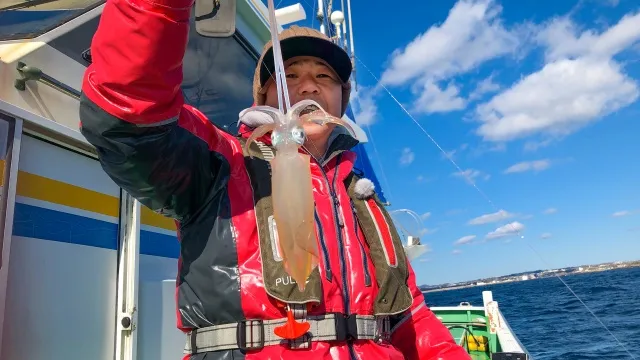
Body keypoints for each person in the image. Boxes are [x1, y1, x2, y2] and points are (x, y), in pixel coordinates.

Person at [78, 0, 471, 359]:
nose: (308, 85)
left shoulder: (363, 199)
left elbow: (412, 319)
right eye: (290, 75)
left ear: (340, 99)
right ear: (263, 98)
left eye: (324, 76)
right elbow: (127, 112)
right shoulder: (221, 165)